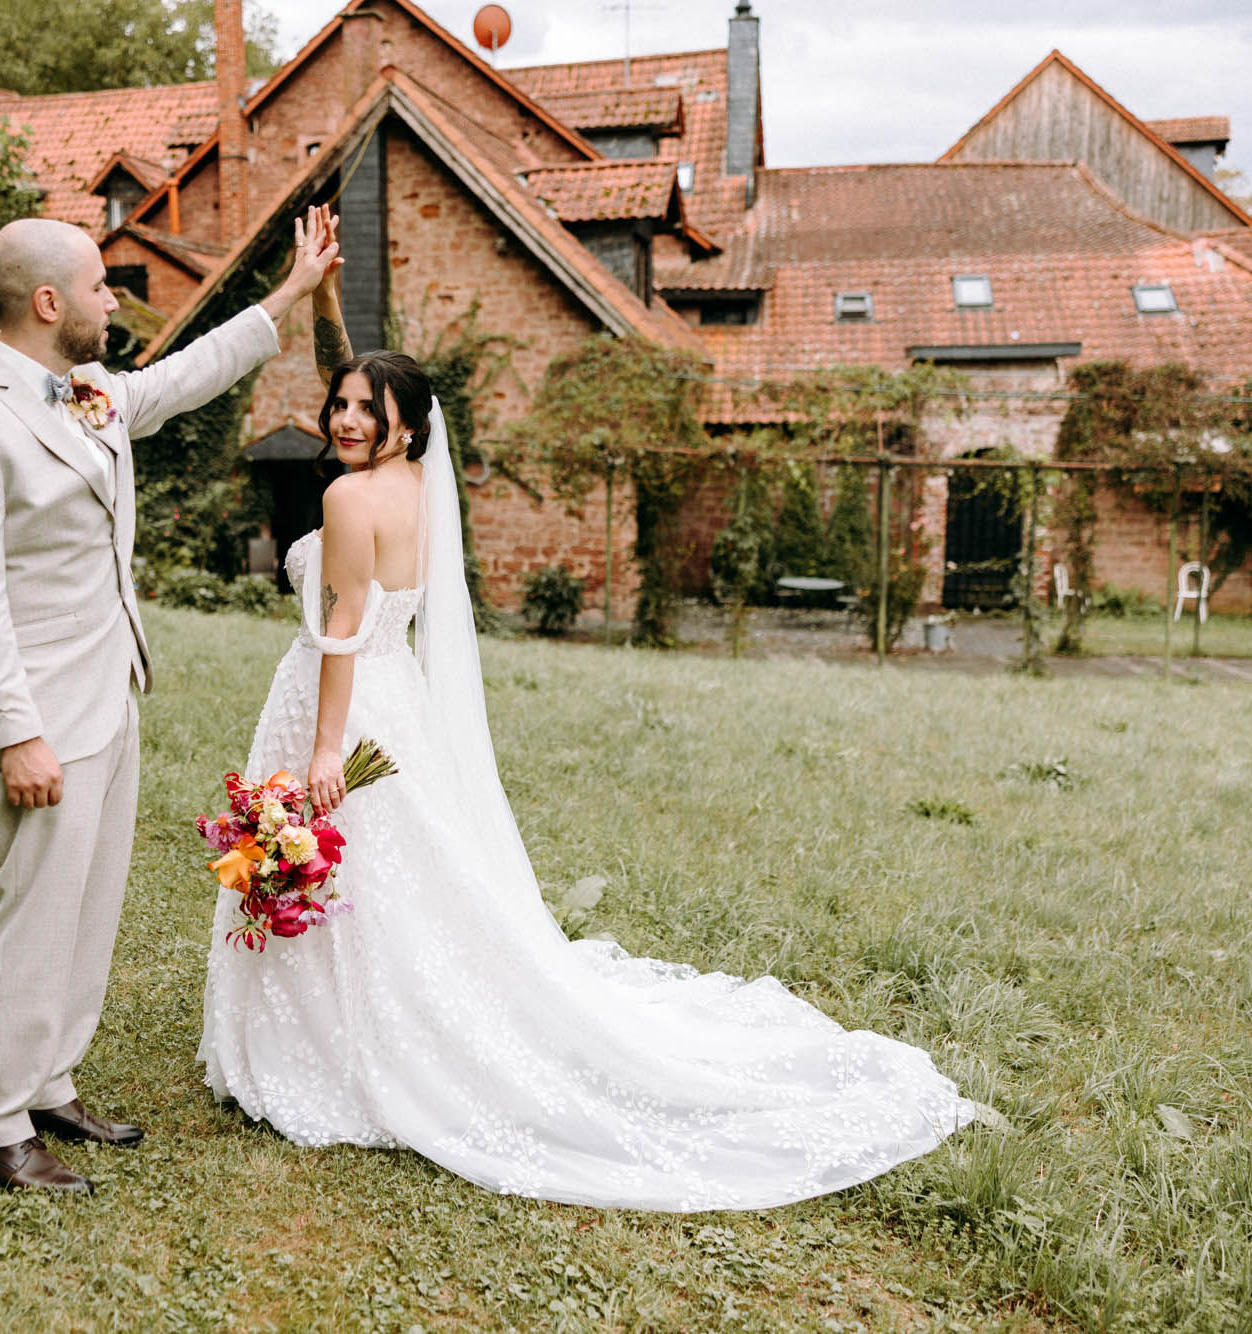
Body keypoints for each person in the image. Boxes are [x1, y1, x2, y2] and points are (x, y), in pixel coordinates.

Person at [197, 207, 988, 1211]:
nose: (345, 417)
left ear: (402, 423)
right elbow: (372, 574)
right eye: (338, 403)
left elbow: (344, 629)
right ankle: (360, 1024)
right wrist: (318, 295)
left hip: (345, 703)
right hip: (395, 703)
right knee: (407, 882)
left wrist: (320, 747)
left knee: (352, 875)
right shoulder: (413, 489)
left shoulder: (349, 502)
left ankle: (335, 1049)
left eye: (363, 407)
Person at [0, 216, 339, 1194]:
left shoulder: (92, 395)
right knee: (34, 915)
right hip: (36, 717)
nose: (115, 303)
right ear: (48, 302)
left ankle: (47, 1081)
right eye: (102, 287)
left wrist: (290, 292)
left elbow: (188, 374)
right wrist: (15, 731)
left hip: (108, 694)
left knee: (86, 908)